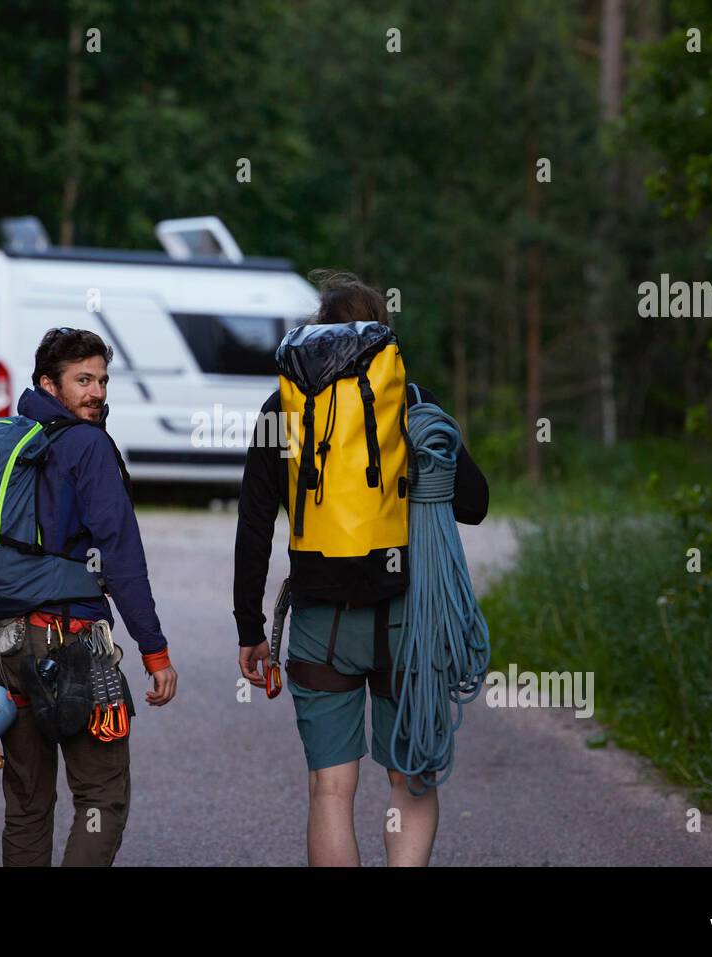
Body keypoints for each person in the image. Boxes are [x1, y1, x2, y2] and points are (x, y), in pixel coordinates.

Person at [233, 273, 488, 866]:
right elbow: (474, 505)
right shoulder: (414, 404)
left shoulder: (284, 408)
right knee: (411, 782)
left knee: (331, 789)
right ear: (383, 339)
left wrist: (250, 629)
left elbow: (254, 525)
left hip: (323, 618)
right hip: (410, 618)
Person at [0, 327, 177, 867]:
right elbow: (119, 553)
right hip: (72, 644)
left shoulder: (8, 440)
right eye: (82, 380)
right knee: (101, 798)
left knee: (26, 804)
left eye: (102, 380)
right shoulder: (87, 445)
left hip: (2, 645)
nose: (97, 393)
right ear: (49, 383)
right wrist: (153, 649)